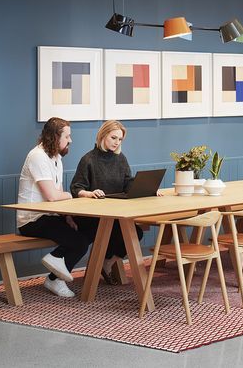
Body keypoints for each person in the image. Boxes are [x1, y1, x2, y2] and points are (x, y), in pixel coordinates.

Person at [17, 117, 89, 298]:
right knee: (78, 242)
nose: (70, 140)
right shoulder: (37, 156)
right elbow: (52, 196)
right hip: (31, 219)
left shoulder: (56, 157)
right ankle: (55, 279)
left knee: (88, 229)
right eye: (67, 136)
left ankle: (55, 267)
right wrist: (70, 195)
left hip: (48, 216)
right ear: (54, 137)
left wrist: (67, 217)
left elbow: (57, 196)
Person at [70, 119, 147, 285]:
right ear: (103, 135)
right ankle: (99, 269)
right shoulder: (88, 160)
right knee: (118, 232)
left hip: (115, 213)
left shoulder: (121, 159)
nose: (116, 142)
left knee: (136, 233)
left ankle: (106, 264)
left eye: (120, 139)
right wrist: (90, 193)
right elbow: (76, 188)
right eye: (113, 138)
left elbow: (128, 183)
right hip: (91, 216)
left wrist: (147, 189)